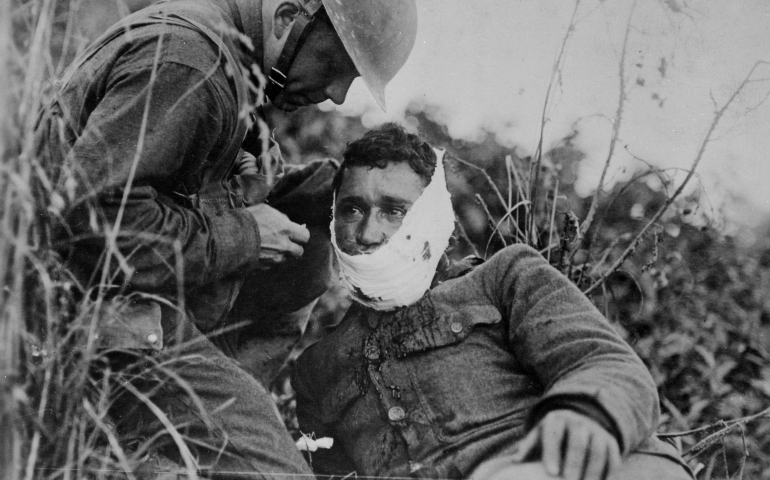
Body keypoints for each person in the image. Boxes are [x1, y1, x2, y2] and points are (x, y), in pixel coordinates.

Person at [35, 0, 417, 478]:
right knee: (278, 473)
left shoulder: (226, 59)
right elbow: (91, 222)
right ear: (287, 16)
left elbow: (159, 189)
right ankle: (168, 431)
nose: (338, 95)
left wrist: (284, 190)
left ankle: (207, 408)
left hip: (126, 298)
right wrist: (250, 234)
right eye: (334, 66)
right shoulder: (193, 62)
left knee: (312, 247)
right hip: (84, 312)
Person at [292, 124, 696, 480]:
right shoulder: (316, 371)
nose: (368, 232)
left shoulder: (503, 276)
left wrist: (583, 416)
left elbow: (604, 363)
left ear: (434, 220)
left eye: (395, 210)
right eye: (352, 209)